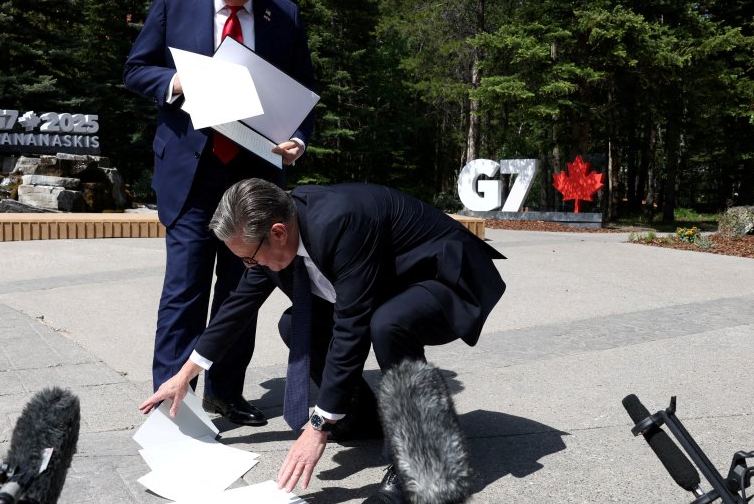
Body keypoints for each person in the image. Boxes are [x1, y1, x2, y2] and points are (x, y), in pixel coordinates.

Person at [139, 178, 507, 503]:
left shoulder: (340, 223)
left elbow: (352, 326)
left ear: (278, 232)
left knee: (387, 325)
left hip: (442, 275)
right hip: (387, 281)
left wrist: (317, 427)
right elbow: (237, 306)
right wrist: (186, 372)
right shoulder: (270, 238)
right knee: (294, 324)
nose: (251, 267)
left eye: (250, 259)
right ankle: (360, 418)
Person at [124, 0, 316, 427]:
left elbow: (303, 93)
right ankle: (173, 406)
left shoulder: (285, 15)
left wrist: (299, 139)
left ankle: (225, 394)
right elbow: (136, 69)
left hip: (252, 181)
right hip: (191, 174)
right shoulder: (173, 4)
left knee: (239, 291)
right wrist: (177, 81)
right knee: (184, 291)